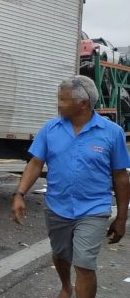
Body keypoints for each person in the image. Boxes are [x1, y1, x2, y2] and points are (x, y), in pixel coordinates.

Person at [11, 75, 130, 298]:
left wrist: (121, 218)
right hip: (57, 207)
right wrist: (19, 194)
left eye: (63, 100)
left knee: (84, 264)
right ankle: (66, 287)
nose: (58, 104)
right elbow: (36, 163)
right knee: (61, 255)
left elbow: (121, 178)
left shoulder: (112, 133)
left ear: (83, 104)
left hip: (93, 209)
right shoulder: (50, 128)